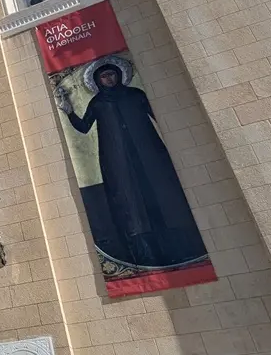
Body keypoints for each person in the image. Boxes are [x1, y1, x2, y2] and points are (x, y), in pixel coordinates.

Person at [56, 61, 206, 269]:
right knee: (131, 205)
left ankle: (180, 249)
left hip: (150, 156)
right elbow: (83, 127)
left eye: (111, 75)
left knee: (163, 197)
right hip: (118, 162)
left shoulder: (136, 95)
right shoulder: (98, 103)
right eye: (104, 77)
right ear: (98, 81)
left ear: (119, 75)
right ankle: (146, 256)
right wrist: (69, 111)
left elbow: (160, 116)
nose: (109, 80)